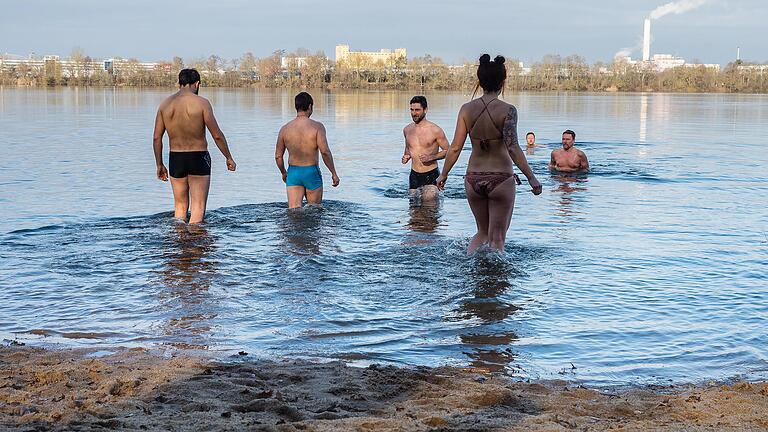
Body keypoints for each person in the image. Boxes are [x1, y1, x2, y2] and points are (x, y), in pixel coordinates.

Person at [436, 54, 542, 254]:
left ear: (480, 80)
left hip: (473, 178)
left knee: (482, 232)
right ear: (503, 81)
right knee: (497, 239)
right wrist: (531, 178)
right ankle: (496, 281)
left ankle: (469, 268)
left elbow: (456, 147)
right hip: (500, 178)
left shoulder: (466, 109)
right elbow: (513, 148)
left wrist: (443, 174)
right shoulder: (508, 110)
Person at [153, 68, 236, 224]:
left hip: (176, 157)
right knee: (198, 207)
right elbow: (216, 135)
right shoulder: (202, 103)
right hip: (198, 156)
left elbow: (157, 138)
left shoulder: (165, 105)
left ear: (179, 83)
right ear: (197, 83)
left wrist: (159, 164)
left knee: (179, 207)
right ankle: (195, 245)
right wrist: (228, 157)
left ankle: (179, 241)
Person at [275, 92, 340, 209]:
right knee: (314, 211)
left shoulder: (285, 129)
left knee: (294, 212)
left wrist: (284, 172)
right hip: (311, 172)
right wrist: (334, 173)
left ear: (296, 107)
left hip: (293, 173)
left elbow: (278, 156)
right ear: (310, 106)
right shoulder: (317, 127)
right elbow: (325, 152)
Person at [402, 96, 449, 201]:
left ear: (425, 110)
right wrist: (406, 156)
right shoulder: (407, 130)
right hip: (413, 175)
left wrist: (431, 157)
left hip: (431, 175)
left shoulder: (435, 130)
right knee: (413, 213)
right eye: (412, 110)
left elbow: (448, 151)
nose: (414, 113)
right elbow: (408, 148)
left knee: (429, 210)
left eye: (417, 110)